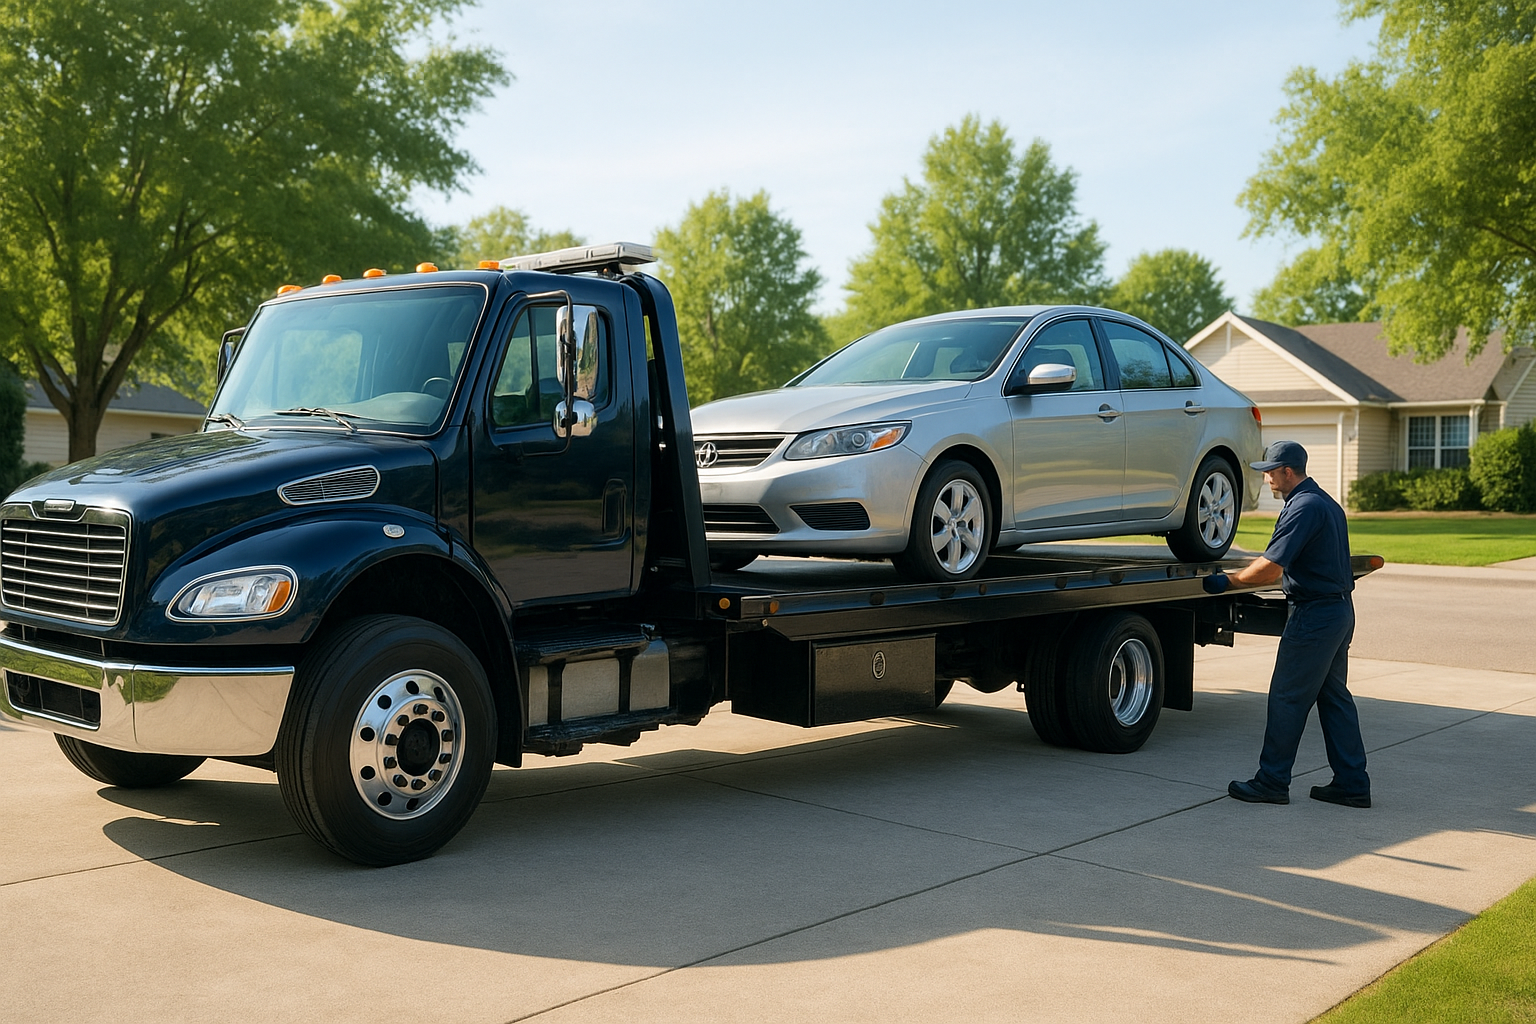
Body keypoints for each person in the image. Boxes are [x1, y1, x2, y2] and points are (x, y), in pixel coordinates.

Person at [1202, 440, 1371, 808]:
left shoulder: (1304, 507)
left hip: (1314, 617)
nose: (1267, 479)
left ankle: (1272, 781)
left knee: (1287, 698)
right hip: (1339, 610)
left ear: (1288, 471)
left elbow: (1271, 567)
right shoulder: (1324, 502)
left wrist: (1228, 582)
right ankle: (1352, 783)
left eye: (1271, 472)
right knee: (1334, 698)